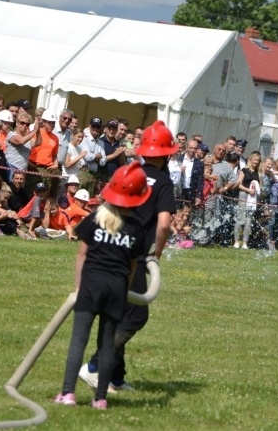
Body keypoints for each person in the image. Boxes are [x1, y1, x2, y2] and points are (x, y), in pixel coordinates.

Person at [79, 120, 177, 393]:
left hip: (108, 244)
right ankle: (95, 366)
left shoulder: (130, 171)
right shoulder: (165, 182)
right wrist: (154, 255)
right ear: (168, 153)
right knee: (135, 316)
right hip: (133, 253)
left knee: (117, 311)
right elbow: (165, 224)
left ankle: (115, 377)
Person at [54, 161, 151, 409]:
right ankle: (100, 399)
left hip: (91, 286)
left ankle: (67, 394)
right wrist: (124, 290)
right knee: (107, 345)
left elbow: (81, 255)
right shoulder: (136, 228)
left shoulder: (96, 218)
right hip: (116, 290)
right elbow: (132, 267)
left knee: (79, 340)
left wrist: (78, 287)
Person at [233, 151, 262, 249]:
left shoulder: (258, 173)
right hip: (243, 195)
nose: (256, 162)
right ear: (250, 160)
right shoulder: (244, 170)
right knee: (240, 218)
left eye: (258, 160)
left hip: (253, 198)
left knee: (248, 221)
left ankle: (245, 242)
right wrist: (248, 190)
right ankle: (236, 241)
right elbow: (239, 184)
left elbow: (259, 187)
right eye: (254, 159)